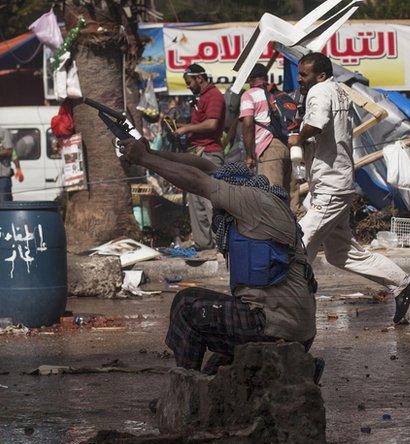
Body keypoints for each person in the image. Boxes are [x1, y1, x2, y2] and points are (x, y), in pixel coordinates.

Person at [117, 138, 319, 377]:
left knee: (186, 304)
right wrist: (153, 152)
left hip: (271, 324)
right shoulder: (256, 194)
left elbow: (198, 181)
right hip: (293, 328)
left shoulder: (250, 201)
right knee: (216, 372)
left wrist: (144, 159)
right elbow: (204, 167)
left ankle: (185, 387)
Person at [288, 52, 410, 324]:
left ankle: (292, 304)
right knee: (341, 253)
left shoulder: (320, 91)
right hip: (337, 181)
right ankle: (401, 281)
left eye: (304, 75)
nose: (300, 79)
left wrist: (296, 137)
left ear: (320, 75)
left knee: (298, 241)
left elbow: (317, 124)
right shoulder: (339, 90)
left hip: (331, 186)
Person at [175, 64, 225, 250]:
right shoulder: (201, 98)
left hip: (209, 153)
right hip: (197, 152)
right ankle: (204, 244)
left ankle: (221, 244)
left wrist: (186, 128)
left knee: (210, 201)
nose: (188, 86)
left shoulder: (214, 96)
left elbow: (212, 124)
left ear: (199, 78)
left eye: (189, 82)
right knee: (195, 200)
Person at [240, 64, 293, 206]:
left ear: (250, 79)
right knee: (288, 202)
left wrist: (249, 155)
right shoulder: (278, 95)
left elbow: (247, 123)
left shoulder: (249, 95)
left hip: (268, 149)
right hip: (286, 146)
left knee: (272, 199)